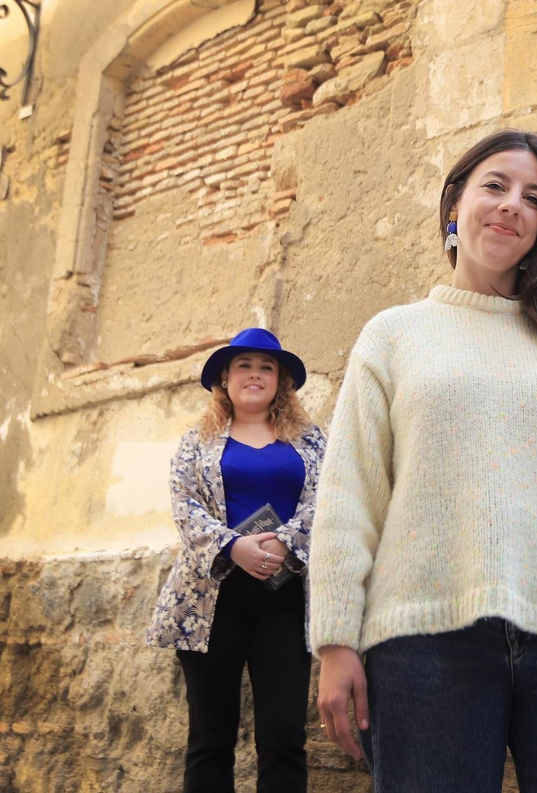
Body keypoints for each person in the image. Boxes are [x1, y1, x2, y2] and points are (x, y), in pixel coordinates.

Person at [308, 129, 537, 793]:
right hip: (425, 640)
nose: (511, 206)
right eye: (495, 186)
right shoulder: (393, 336)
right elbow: (349, 497)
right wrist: (334, 641)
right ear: (456, 204)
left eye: (532, 198)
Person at [146, 327, 326, 793]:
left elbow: (329, 498)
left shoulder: (310, 442)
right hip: (211, 603)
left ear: (280, 382)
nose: (255, 375)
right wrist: (233, 546)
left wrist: (286, 541)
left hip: (284, 601)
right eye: (244, 366)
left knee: (284, 738)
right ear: (224, 379)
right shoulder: (195, 443)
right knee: (210, 739)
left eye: (267, 367)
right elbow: (184, 505)